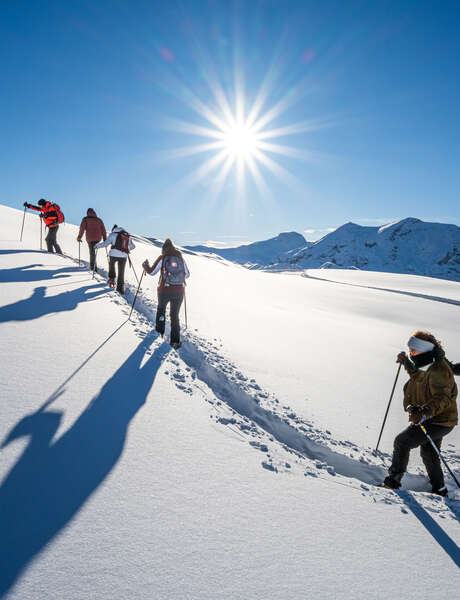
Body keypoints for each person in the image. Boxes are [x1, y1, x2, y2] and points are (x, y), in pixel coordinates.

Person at [382, 331, 458, 496]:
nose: (411, 353)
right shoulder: (427, 362)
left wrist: (425, 412)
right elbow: (418, 376)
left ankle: (392, 482)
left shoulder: (438, 369)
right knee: (429, 452)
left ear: (424, 349)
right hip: (437, 418)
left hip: (438, 419)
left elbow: (442, 397)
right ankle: (440, 489)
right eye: (409, 350)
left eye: (413, 350)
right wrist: (407, 363)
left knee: (402, 441)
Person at [142, 238, 190, 349]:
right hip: (179, 291)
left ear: (163, 248)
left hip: (164, 290)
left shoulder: (163, 258)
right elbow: (187, 275)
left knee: (161, 311)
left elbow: (152, 272)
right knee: (174, 315)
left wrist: (145, 266)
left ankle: (160, 333)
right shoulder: (180, 258)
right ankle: (175, 341)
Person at [95, 225, 135, 294]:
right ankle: (120, 289)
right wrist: (126, 249)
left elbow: (105, 243)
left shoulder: (112, 234)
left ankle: (112, 279)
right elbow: (133, 246)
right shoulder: (127, 235)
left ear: (113, 229)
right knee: (121, 272)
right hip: (124, 256)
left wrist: (97, 246)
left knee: (112, 266)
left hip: (113, 254)